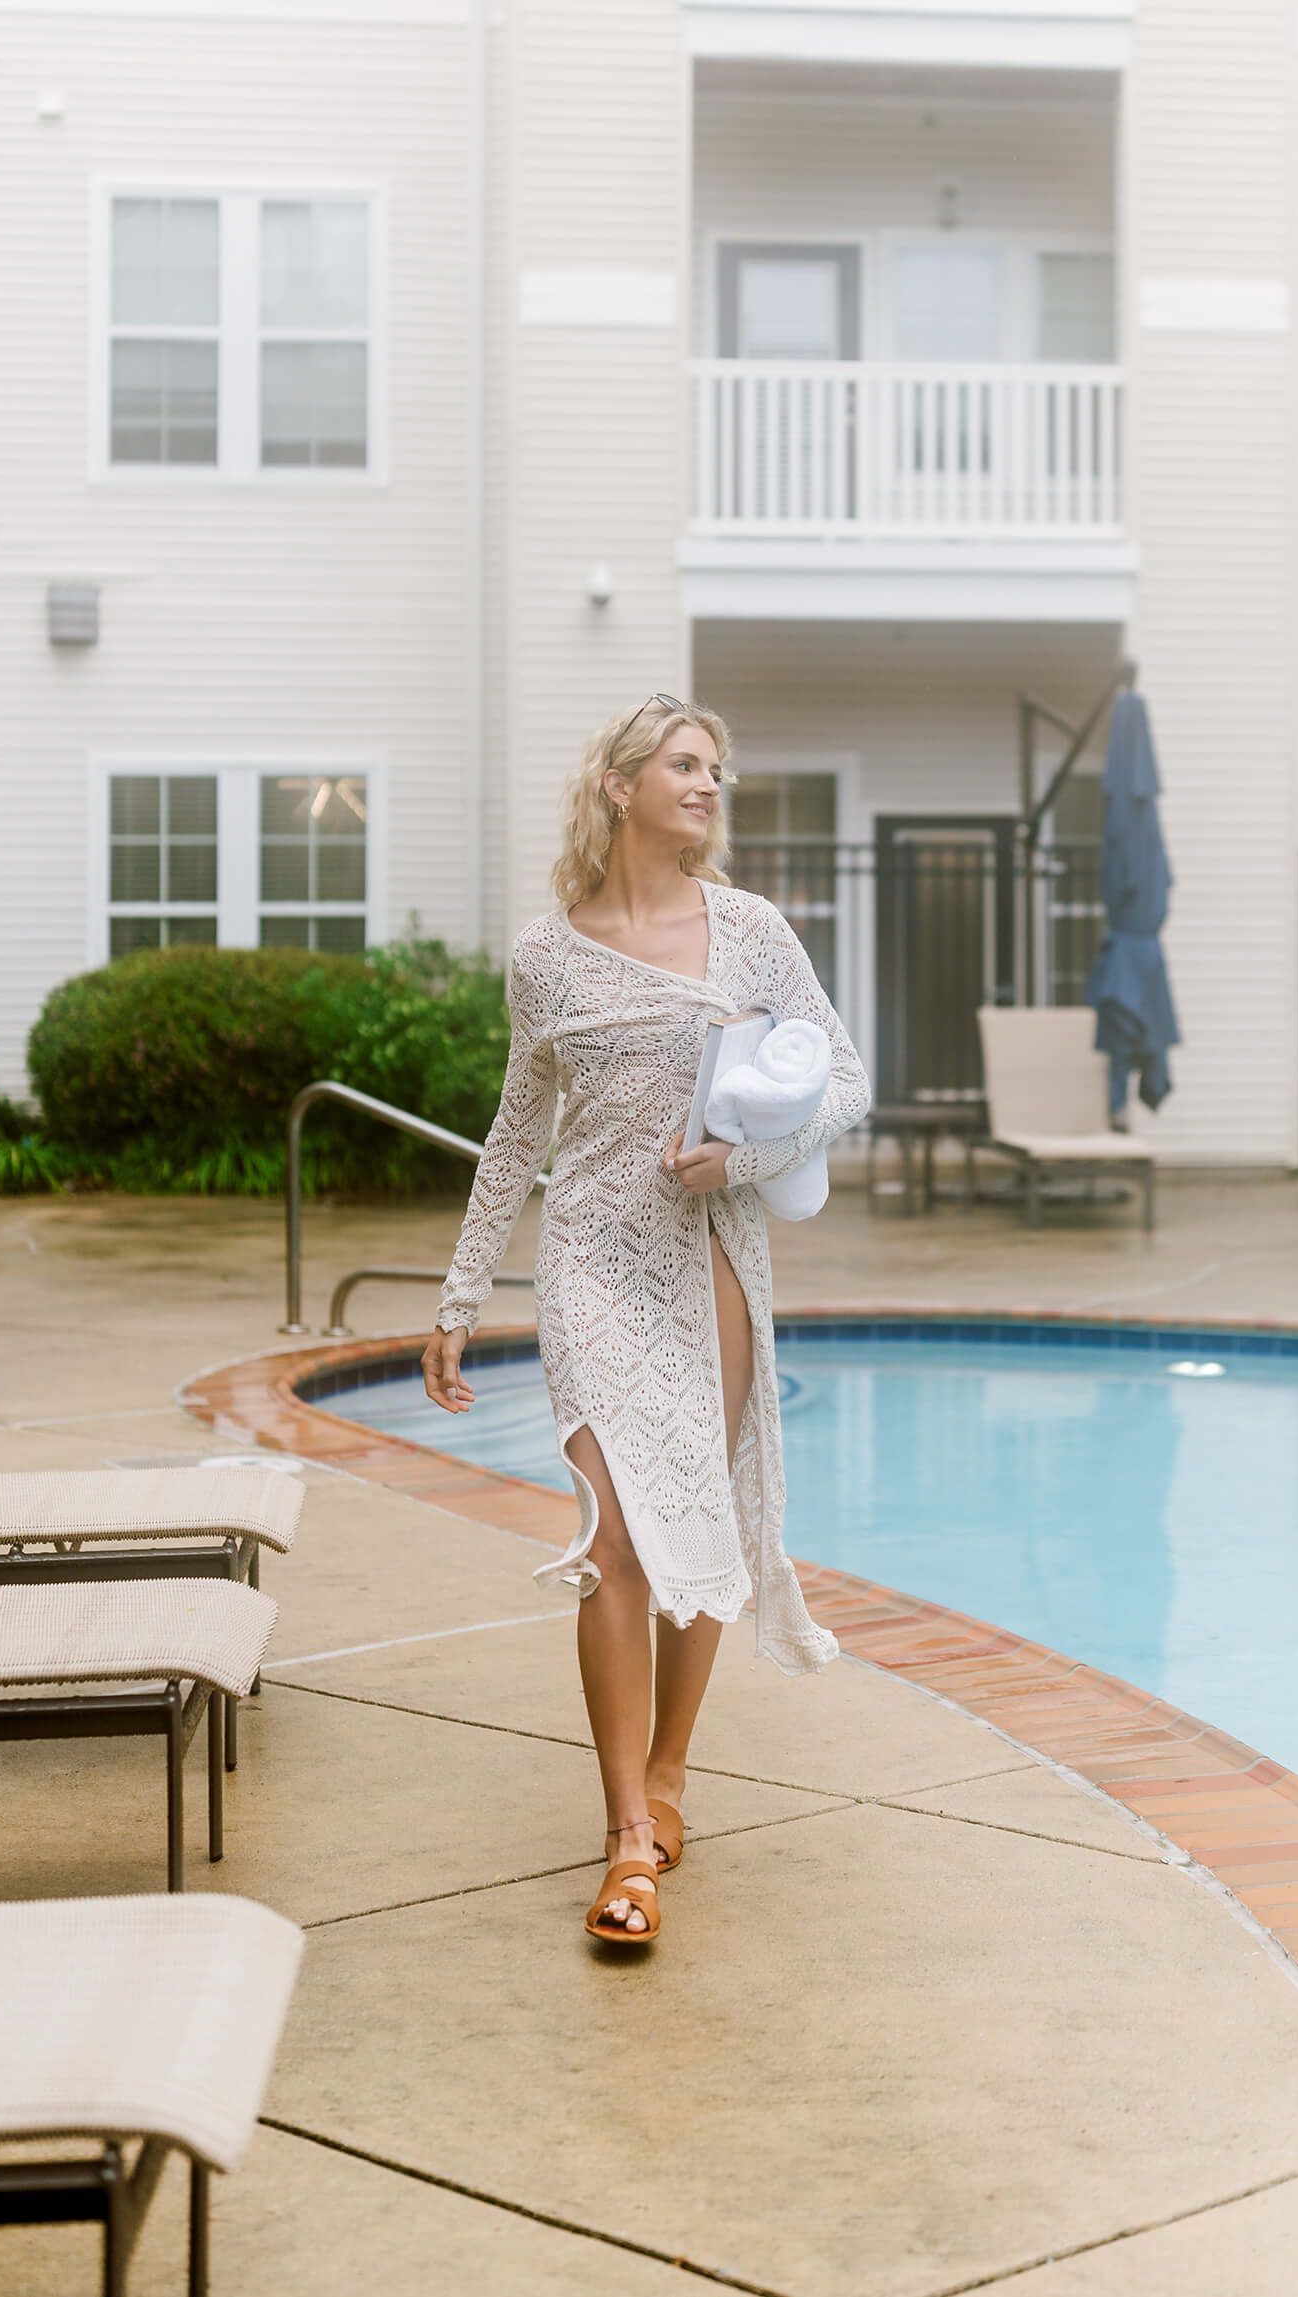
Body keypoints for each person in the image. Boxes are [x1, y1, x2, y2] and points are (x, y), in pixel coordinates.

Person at [422, 695, 868, 1944]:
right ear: (619, 784)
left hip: (711, 1253)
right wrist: (461, 1294)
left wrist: (742, 1156)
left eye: (716, 768)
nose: (708, 784)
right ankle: (627, 1835)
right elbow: (517, 1132)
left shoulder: (752, 931)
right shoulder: (545, 955)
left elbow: (844, 1074)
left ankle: (671, 1771)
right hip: (587, 1260)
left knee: (701, 1516)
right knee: (614, 1537)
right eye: (684, 764)